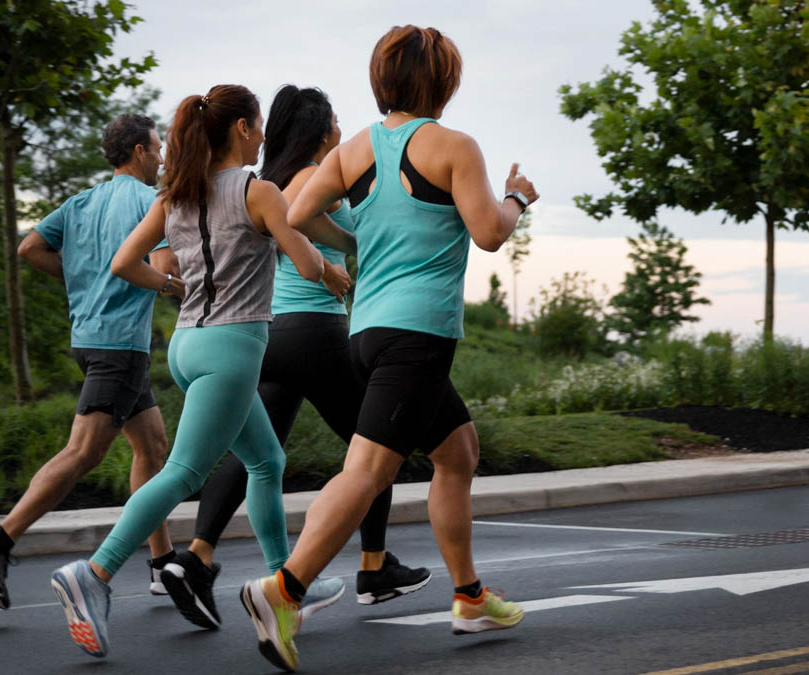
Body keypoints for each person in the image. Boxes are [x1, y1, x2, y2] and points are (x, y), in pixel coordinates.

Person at [240, 26, 539, 671]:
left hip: (367, 331)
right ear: (445, 81)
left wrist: (354, 245)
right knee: (369, 471)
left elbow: (294, 214)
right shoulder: (454, 146)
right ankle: (281, 591)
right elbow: (488, 233)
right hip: (417, 336)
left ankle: (467, 596)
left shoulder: (353, 151)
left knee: (457, 453)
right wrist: (517, 197)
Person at [49, 84, 353, 659]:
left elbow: (123, 263)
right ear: (241, 128)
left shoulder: (176, 194)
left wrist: (174, 285)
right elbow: (309, 260)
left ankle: (284, 582)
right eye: (259, 124)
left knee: (267, 460)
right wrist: (329, 269)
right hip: (233, 346)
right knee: (184, 472)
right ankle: (93, 573)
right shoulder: (256, 191)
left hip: (186, 346)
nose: (264, 134)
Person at [162, 85, 430, 632]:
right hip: (314, 332)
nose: (340, 128)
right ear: (318, 130)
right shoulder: (311, 181)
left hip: (271, 336)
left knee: (258, 454)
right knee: (375, 446)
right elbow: (350, 235)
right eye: (333, 120)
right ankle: (374, 569)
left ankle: (196, 557)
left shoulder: (273, 181)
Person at [0, 114, 176, 610]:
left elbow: (30, 247)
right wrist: (175, 281)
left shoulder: (81, 202)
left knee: (152, 445)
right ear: (139, 152)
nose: (162, 158)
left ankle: (163, 564)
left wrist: (81, 279)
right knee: (84, 452)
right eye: (157, 150)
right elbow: (165, 268)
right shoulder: (150, 202)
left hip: (90, 340)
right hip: (120, 345)